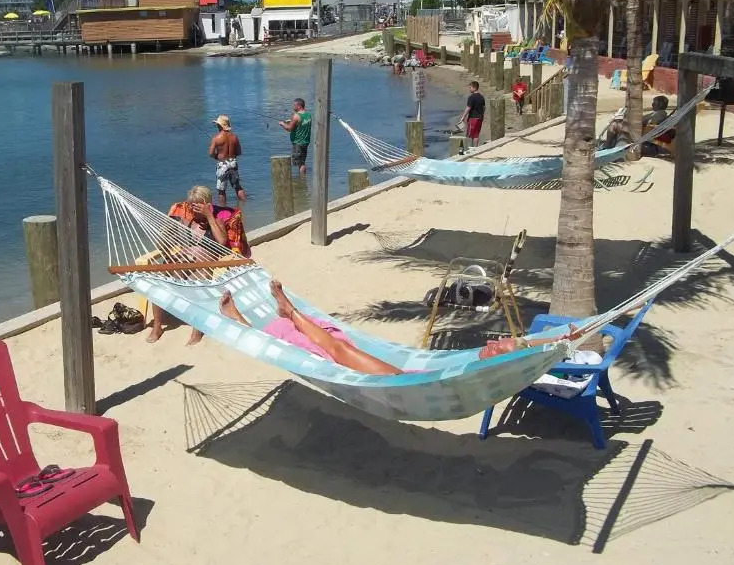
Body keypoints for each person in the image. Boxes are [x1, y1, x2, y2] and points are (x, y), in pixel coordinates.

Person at [218, 279, 564, 374]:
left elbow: (339, 352)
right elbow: (520, 349)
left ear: (499, 360)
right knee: (329, 343)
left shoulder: (472, 374)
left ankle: (283, 314)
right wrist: (560, 338)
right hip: (415, 372)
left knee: (334, 348)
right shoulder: (473, 364)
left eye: (499, 346)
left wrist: (294, 312)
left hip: (401, 380)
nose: (492, 342)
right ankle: (286, 315)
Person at [148, 185, 250, 345]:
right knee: (160, 281)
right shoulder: (186, 221)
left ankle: (197, 329)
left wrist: (208, 216)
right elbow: (166, 245)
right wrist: (166, 234)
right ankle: (157, 326)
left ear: (207, 204)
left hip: (204, 263)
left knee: (197, 282)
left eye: (197, 205)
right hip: (184, 260)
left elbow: (222, 243)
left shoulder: (216, 221)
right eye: (191, 205)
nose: (193, 209)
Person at [208, 114, 246, 205]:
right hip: (233, 162)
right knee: (237, 186)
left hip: (222, 164)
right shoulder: (234, 137)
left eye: (217, 125)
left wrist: (216, 156)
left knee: (221, 190)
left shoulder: (216, 138)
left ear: (219, 125)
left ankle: (223, 209)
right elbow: (239, 152)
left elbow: (211, 153)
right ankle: (245, 205)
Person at [279, 98, 312, 175]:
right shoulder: (308, 115)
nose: (293, 107)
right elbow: (301, 123)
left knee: (300, 163)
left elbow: (289, 128)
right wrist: (291, 121)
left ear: (299, 106)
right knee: (302, 161)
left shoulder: (296, 116)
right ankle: (303, 178)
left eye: (295, 105)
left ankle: (301, 179)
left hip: (298, 142)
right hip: (305, 142)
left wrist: (283, 124)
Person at [458, 81, 486, 146]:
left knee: (471, 135)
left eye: (470, 87)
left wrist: (463, 117)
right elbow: (484, 107)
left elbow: (468, 108)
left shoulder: (471, 97)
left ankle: (472, 148)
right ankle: (475, 148)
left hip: (473, 118)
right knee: (476, 134)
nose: (469, 89)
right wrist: (482, 115)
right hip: (480, 118)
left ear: (474, 88)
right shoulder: (481, 97)